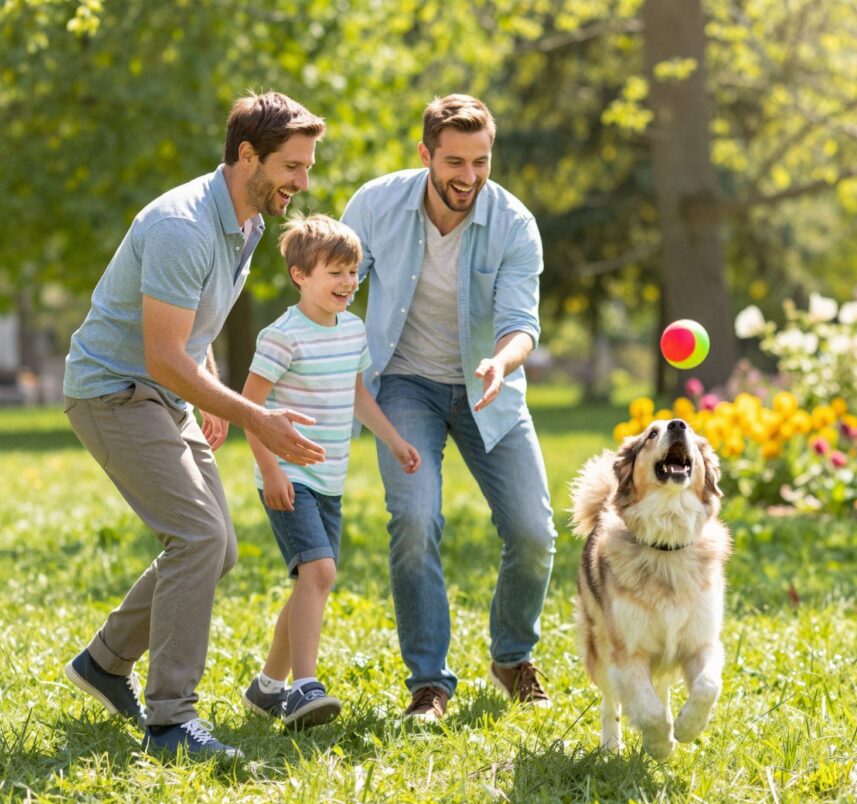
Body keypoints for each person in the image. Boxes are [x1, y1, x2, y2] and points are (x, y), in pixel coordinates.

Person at [62, 91, 327, 758]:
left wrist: (207, 386)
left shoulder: (248, 222)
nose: (302, 182)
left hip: (162, 392)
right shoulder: (181, 226)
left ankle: (104, 662)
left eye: (307, 167)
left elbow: (188, 326)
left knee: (218, 549)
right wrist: (254, 416)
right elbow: (161, 354)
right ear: (248, 156)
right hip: (114, 391)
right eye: (292, 167)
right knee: (198, 537)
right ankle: (170, 721)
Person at [342, 94, 556, 722]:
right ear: (425, 154)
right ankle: (428, 684)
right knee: (414, 521)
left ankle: (512, 657)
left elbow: (521, 324)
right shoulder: (374, 205)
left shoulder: (514, 224)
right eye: (455, 161)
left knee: (534, 533)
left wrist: (501, 363)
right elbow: (334, 290)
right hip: (404, 385)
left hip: (489, 387)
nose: (468, 176)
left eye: (481, 162)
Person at [240, 214, 421, 729]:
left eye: (353, 272)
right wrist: (272, 471)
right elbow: (249, 409)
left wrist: (394, 440)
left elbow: (357, 394)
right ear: (300, 275)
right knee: (319, 574)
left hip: (330, 481)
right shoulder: (281, 337)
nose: (348, 283)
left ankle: (266, 688)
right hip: (289, 477)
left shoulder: (353, 329)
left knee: (310, 582)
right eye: (335, 273)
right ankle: (304, 686)